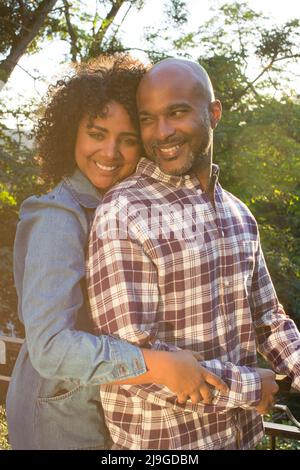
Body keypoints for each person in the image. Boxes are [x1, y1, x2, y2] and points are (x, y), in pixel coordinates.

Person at [6, 55, 227, 450]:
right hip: (62, 417)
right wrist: (157, 365)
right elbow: (50, 347)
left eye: (127, 139)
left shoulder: (129, 207)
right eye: (96, 133)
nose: (110, 152)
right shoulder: (59, 217)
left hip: (120, 411)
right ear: (71, 132)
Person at [87, 58, 300, 450]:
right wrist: (250, 386)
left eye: (177, 112)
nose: (162, 132)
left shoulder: (238, 213)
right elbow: (133, 357)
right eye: (148, 119)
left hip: (242, 438)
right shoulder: (125, 211)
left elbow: (268, 318)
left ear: (213, 113)